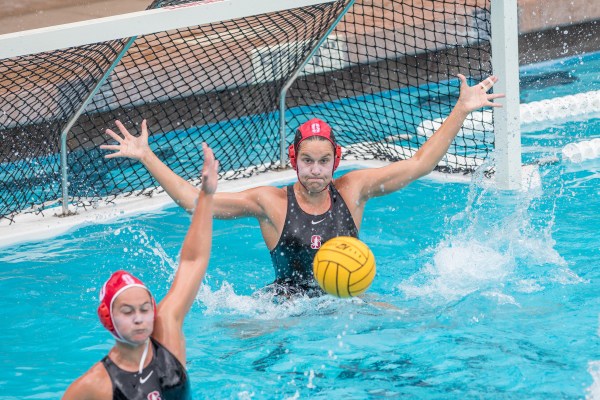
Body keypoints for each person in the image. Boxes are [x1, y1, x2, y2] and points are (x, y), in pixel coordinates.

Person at [100, 74, 503, 295]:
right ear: (293, 161)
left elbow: (418, 164)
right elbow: (194, 202)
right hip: (284, 310)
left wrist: (461, 109)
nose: (315, 170)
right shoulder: (270, 203)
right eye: (307, 161)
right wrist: (148, 156)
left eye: (323, 161)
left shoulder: (353, 190)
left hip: (346, 301)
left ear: (336, 161)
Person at [63, 143, 218, 399]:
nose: (139, 318)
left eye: (145, 309)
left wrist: (207, 195)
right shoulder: (95, 385)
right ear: (107, 317)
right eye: (128, 311)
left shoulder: (167, 337)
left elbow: (193, 261)